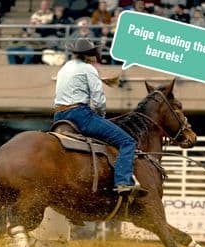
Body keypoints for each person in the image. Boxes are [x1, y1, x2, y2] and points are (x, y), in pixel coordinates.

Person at [53, 38, 145, 196]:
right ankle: (123, 182)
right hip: (80, 115)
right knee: (127, 142)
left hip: (59, 116)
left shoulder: (64, 68)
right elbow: (99, 100)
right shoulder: (89, 69)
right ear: (90, 55)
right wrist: (101, 117)